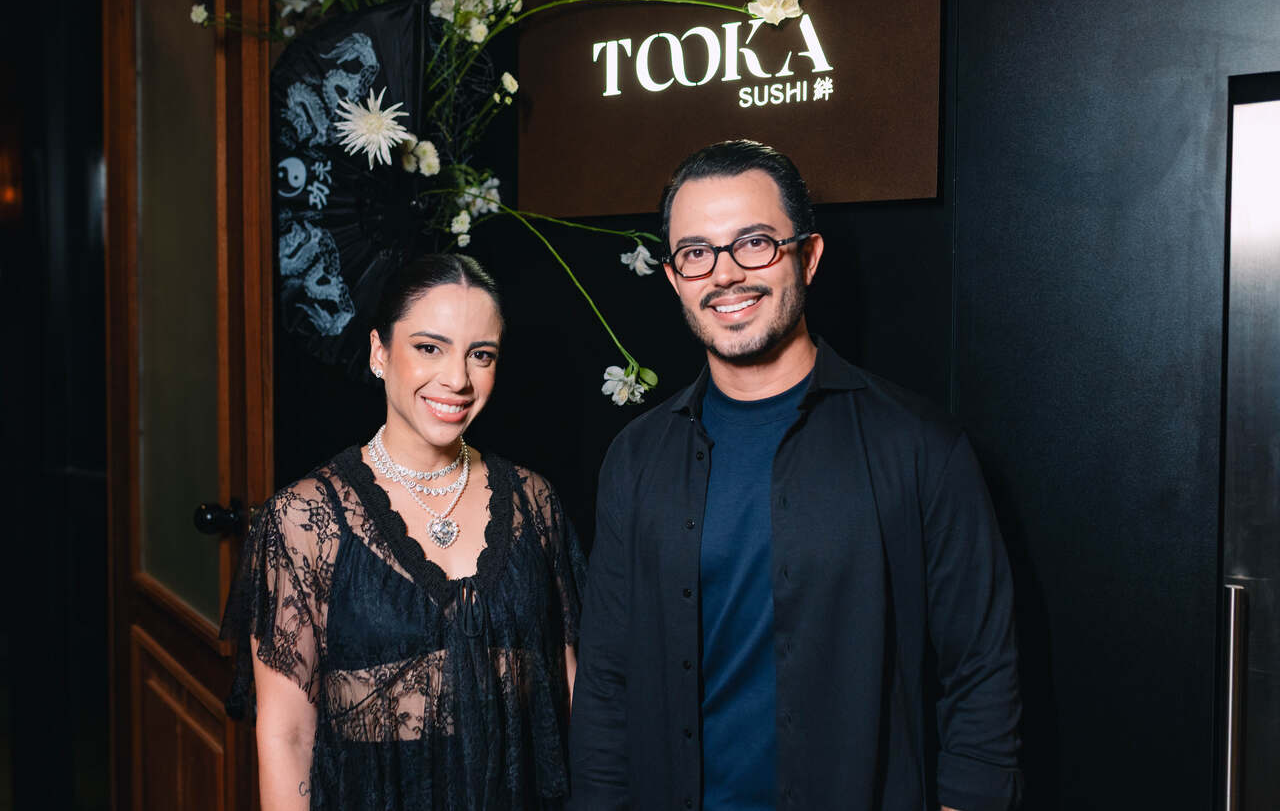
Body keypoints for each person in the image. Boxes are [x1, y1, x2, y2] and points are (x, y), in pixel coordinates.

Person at [569, 141, 1022, 811]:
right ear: (673, 277)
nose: (725, 274)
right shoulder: (636, 458)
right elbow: (608, 678)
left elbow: (981, 669)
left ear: (807, 256)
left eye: (754, 243)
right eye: (696, 253)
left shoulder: (919, 446)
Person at [223, 253, 585, 810]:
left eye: (480, 355)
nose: (457, 379)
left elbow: (570, 694)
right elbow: (287, 735)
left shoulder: (533, 502)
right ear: (379, 352)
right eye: (429, 348)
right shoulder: (302, 520)